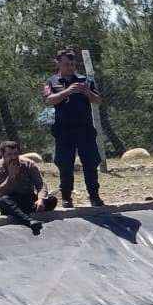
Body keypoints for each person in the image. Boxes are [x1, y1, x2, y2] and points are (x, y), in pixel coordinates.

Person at [42, 49, 105, 207]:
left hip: (85, 130)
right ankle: (66, 198)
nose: (70, 67)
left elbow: (98, 100)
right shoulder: (52, 81)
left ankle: (94, 196)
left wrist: (87, 92)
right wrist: (67, 92)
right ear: (58, 64)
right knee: (65, 165)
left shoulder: (84, 80)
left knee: (90, 163)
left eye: (72, 64)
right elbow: (48, 101)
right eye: (66, 64)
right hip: (64, 131)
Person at [0, 140, 57, 233]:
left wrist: (41, 199)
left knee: (52, 200)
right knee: (1, 201)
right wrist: (11, 177)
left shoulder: (28, 164)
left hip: (28, 199)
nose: (13, 157)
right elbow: (1, 192)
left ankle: (21, 212)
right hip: (11, 201)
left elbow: (40, 184)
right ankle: (29, 220)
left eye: (15, 153)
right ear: (3, 155)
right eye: (9, 154)